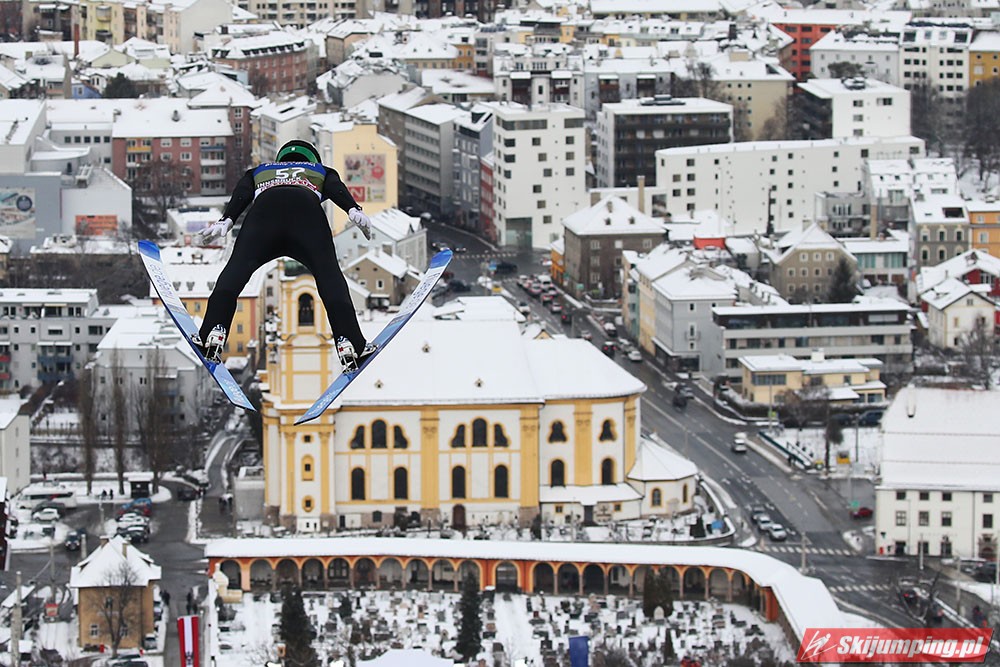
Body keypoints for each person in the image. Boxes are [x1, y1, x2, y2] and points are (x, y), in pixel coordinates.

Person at [196, 139, 374, 368]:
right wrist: (353, 208)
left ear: (280, 159)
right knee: (330, 277)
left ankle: (213, 331)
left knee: (235, 271)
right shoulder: (321, 170)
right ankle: (350, 342)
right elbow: (335, 187)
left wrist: (227, 219)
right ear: (313, 159)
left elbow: (242, 192)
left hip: (263, 217)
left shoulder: (259, 171)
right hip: (306, 217)